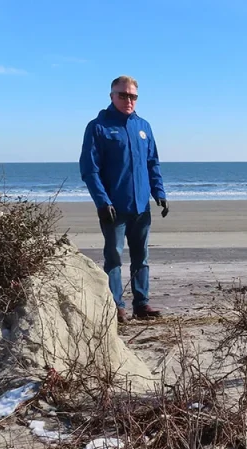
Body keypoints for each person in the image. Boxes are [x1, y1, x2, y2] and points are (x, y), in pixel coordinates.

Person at [79, 75, 169, 322]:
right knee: (114, 256)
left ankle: (142, 304)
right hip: (114, 208)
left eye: (133, 96)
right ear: (112, 96)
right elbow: (89, 169)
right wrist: (102, 201)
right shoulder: (98, 127)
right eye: (123, 95)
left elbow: (152, 163)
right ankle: (116, 305)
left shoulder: (144, 127)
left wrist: (158, 193)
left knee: (142, 256)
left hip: (141, 206)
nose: (128, 100)